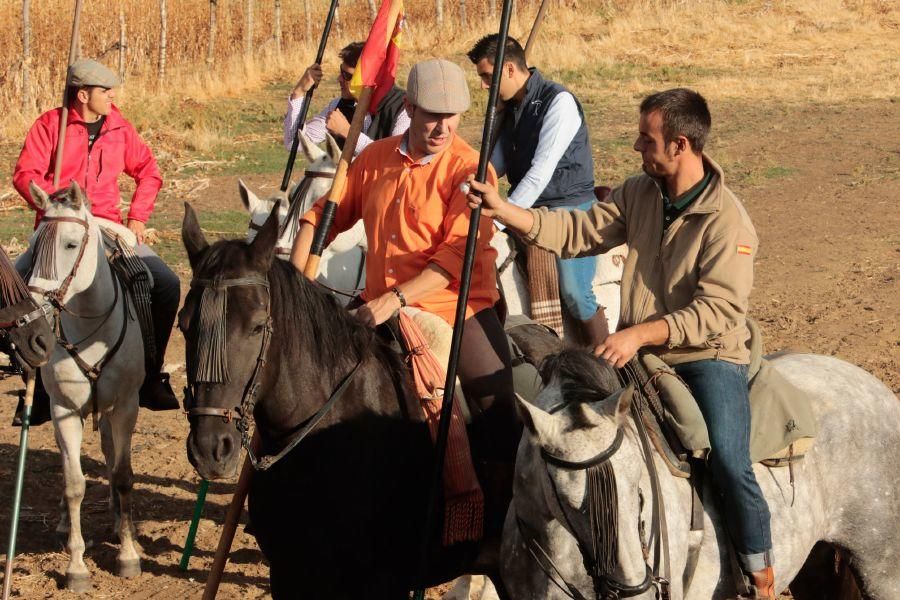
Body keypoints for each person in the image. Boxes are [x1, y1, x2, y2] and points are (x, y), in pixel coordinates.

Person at [467, 88, 776, 598]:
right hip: (639, 349)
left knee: (727, 455)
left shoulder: (728, 221)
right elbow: (578, 232)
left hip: (707, 354)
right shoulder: (639, 192)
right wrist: (505, 210)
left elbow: (719, 311)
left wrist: (637, 334)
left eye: (646, 138)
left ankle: (757, 568)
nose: (636, 145)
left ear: (680, 145)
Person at [291, 58, 519, 512]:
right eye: (432, 114)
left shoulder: (471, 170)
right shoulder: (374, 158)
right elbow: (325, 217)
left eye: (451, 116)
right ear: (410, 109)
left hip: (455, 305)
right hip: (379, 300)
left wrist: (392, 301)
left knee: (498, 408)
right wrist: (294, 281)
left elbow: (455, 256)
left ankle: (499, 518)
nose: (441, 126)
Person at [12, 58, 180, 413]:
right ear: (84, 94)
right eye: (106, 91)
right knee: (15, 285)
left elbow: (149, 171)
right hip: (59, 225)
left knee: (166, 284)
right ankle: (35, 378)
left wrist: (137, 217)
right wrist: (55, 204)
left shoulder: (120, 128)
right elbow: (24, 174)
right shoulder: (49, 126)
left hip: (106, 225)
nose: (112, 96)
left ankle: (151, 376)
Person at [467, 34, 606, 345]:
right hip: (530, 209)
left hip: (570, 210)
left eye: (487, 77)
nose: (483, 86)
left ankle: (610, 367)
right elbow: (493, 166)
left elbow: (539, 175)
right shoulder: (511, 110)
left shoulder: (560, 102)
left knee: (575, 291)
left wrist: (499, 218)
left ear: (511, 70)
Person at [284, 42, 409, 155]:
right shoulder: (340, 106)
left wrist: (348, 132)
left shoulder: (403, 108)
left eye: (347, 76)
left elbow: (394, 158)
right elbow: (294, 143)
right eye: (341, 72)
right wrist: (299, 91)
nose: (339, 79)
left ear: (371, 79)